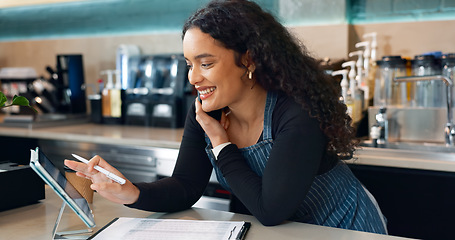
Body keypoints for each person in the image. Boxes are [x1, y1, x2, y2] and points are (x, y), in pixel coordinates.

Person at [65, 0, 388, 234]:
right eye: (189, 64)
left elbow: (271, 210)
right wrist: (132, 192)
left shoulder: (296, 113)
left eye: (206, 64)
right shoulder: (208, 110)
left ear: (248, 60)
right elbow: (186, 186)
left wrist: (221, 142)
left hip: (346, 228)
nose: (193, 78)